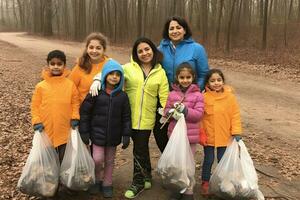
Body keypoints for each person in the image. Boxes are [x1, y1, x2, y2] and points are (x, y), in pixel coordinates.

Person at [153, 16, 210, 153]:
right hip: (166, 98)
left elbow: (203, 74)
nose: (175, 31)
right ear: (167, 32)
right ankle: (171, 160)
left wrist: (194, 92)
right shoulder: (159, 50)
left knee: (186, 133)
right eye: (171, 28)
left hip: (189, 100)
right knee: (160, 131)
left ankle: (184, 163)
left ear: (185, 30)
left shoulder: (197, 49)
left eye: (178, 27)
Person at [79, 59, 132, 198]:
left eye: (117, 74)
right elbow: (84, 112)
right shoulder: (95, 93)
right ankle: (96, 180)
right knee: (97, 159)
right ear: (105, 75)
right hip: (97, 135)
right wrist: (84, 131)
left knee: (109, 161)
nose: (114, 77)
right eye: (111, 74)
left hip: (113, 136)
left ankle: (107, 183)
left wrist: (126, 134)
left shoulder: (123, 96)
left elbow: (126, 116)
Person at [31, 50, 80, 163]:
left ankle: (62, 177)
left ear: (64, 65)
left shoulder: (70, 85)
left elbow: (75, 102)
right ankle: (50, 178)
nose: (56, 67)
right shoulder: (41, 86)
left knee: (64, 157)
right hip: (46, 128)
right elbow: (35, 105)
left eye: (59, 64)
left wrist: (75, 117)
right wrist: (37, 121)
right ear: (48, 65)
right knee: (48, 159)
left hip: (65, 127)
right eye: (52, 64)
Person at [164, 63, 204, 200]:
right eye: (182, 77)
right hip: (175, 135)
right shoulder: (172, 94)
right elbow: (165, 112)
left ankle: (188, 190)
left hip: (190, 137)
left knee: (188, 165)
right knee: (176, 165)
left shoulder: (198, 95)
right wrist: (171, 112)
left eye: (188, 77)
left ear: (193, 77)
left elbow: (198, 115)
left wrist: (185, 111)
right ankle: (177, 187)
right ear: (177, 77)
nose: (185, 80)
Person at [199, 69, 242, 197]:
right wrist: (201, 133)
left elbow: (235, 115)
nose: (216, 83)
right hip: (209, 136)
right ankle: (205, 182)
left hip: (225, 135)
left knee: (223, 159)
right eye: (212, 81)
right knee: (209, 159)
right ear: (207, 83)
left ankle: (223, 181)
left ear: (223, 81)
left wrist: (236, 131)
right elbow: (200, 118)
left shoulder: (230, 97)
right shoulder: (204, 97)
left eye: (219, 80)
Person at [69, 32, 109, 104]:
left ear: (104, 50)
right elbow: (70, 88)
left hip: (104, 109)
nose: (94, 51)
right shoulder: (80, 66)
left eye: (98, 48)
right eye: (91, 47)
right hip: (83, 109)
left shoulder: (110, 65)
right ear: (87, 49)